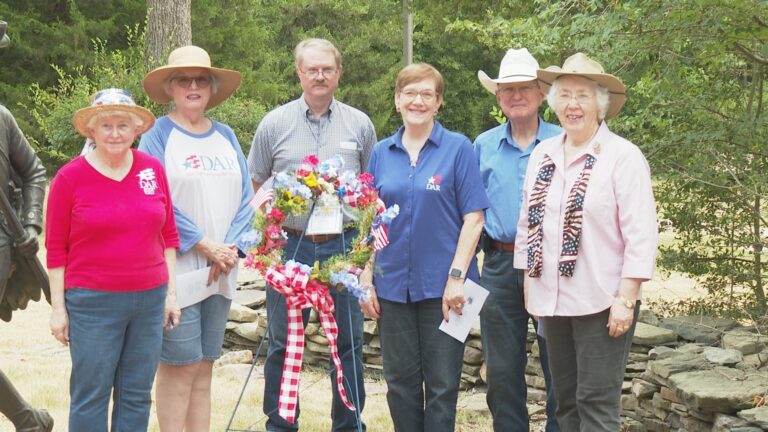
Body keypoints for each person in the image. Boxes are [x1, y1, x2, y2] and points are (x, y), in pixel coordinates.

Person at [514, 53, 658, 431]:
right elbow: (527, 222)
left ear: (601, 104)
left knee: (596, 404)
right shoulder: (542, 154)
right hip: (553, 299)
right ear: (553, 102)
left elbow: (640, 234)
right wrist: (529, 282)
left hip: (603, 302)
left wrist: (626, 299)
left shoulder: (623, 157)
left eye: (583, 96)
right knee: (564, 403)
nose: (572, 105)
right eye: (565, 96)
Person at [247, 38, 376, 432]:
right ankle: (281, 425)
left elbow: (371, 187)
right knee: (283, 345)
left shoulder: (360, 124)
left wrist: (363, 257)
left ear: (339, 73)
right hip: (290, 248)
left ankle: (349, 424)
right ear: (298, 73)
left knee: (349, 344)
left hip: (343, 246)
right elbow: (258, 182)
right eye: (311, 69)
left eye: (327, 69)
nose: (319, 76)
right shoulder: (274, 123)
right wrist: (270, 235)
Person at [359, 63, 489, 432]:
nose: (418, 101)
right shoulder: (382, 152)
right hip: (393, 286)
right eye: (410, 93)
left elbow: (474, 218)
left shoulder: (459, 148)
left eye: (426, 94)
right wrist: (366, 276)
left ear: (438, 103)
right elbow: (371, 220)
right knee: (399, 385)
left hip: (449, 291)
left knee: (443, 386)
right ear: (397, 99)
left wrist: (456, 277)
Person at [46, 88, 180, 431]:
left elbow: (169, 236)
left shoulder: (152, 170)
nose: (116, 133)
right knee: (91, 395)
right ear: (92, 130)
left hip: (149, 300)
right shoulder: (69, 178)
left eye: (124, 125)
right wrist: (59, 309)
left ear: (137, 129)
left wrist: (170, 295)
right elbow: (56, 250)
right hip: (92, 302)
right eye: (107, 125)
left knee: (137, 395)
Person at [139, 45, 254, 431]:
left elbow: (246, 198)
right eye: (184, 80)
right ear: (170, 88)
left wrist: (231, 248)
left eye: (200, 80)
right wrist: (205, 244)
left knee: (205, 366)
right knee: (178, 366)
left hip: (222, 269)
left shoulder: (227, 136)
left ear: (211, 88)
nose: (193, 86)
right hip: (178, 269)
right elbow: (157, 199)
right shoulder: (156, 136)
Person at [473, 48, 561, 432]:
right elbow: (470, 214)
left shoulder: (564, 141)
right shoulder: (482, 146)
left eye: (526, 87)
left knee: (559, 364)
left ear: (542, 93)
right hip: (498, 265)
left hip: (556, 268)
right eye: (508, 89)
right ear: (498, 97)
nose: (517, 95)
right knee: (503, 370)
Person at [0, 19, 53, 432]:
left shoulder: (1, 118)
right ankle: (28, 420)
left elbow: (34, 171)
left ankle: (27, 420)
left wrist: (32, 224)